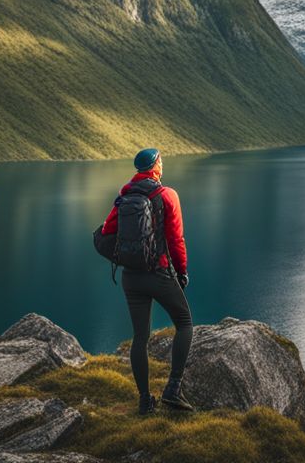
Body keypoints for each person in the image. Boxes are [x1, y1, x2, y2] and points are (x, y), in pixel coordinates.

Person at [99, 147, 194, 415]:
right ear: (154, 166)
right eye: (160, 160)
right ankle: (173, 389)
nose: (162, 163)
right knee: (184, 323)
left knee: (140, 337)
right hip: (159, 273)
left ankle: (144, 402)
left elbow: (107, 231)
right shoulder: (167, 195)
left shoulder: (125, 194)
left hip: (131, 277)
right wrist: (182, 270)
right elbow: (176, 240)